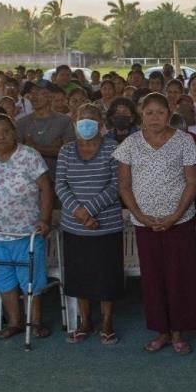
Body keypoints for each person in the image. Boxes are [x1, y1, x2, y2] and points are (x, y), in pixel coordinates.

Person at [114, 93, 196, 354]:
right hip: (145, 223)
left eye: (160, 113)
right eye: (149, 113)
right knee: (153, 279)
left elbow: (193, 182)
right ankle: (161, 331)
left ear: (170, 113)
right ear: (141, 114)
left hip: (179, 220)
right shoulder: (130, 143)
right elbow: (124, 184)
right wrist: (139, 216)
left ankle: (178, 332)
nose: (155, 118)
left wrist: (175, 216)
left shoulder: (184, 141)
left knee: (179, 276)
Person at [0, 114, 53, 339]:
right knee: (3, 279)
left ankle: (34, 322)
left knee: (30, 280)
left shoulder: (29, 156)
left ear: (14, 132)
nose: (1, 136)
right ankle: (15, 322)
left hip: (25, 232)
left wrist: (45, 219)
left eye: (6, 131)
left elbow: (46, 188)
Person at [56, 104, 123, 346]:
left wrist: (90, 210)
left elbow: (117, 185)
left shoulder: (113, 148)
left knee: (106, 275)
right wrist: (80, 213)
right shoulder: (65, 151)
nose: (86, 123)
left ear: (101, 123)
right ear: (74, 122)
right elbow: (60, 185)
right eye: (81, 119)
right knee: (80, 275)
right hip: (75, 225)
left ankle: (106, 322)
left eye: (92, 119)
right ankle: (85, 322)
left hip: (106, 224)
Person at [16, 82, 76, 181]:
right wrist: (52, 149)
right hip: (29, 180)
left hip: (58, 178)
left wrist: (34, 147)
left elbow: (68, 153)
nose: (33, 97)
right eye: (31, 93)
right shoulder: (21, 123)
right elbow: (18, 154)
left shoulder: (64, 121)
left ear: (51, 96)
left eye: (38, 93)